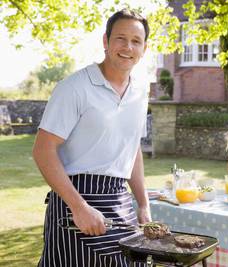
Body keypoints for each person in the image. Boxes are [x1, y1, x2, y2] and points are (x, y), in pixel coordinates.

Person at [33, 9, 151, 266]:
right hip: (74, 199)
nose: (127, 47)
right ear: (105, 42)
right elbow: (43, 150)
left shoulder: (141, 92)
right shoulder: (74, 87)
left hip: (120, 202)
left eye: (136, 41)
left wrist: (142, 203)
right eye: (120, 38)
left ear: (144, 48)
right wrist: (79, 207)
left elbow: (133, 150)